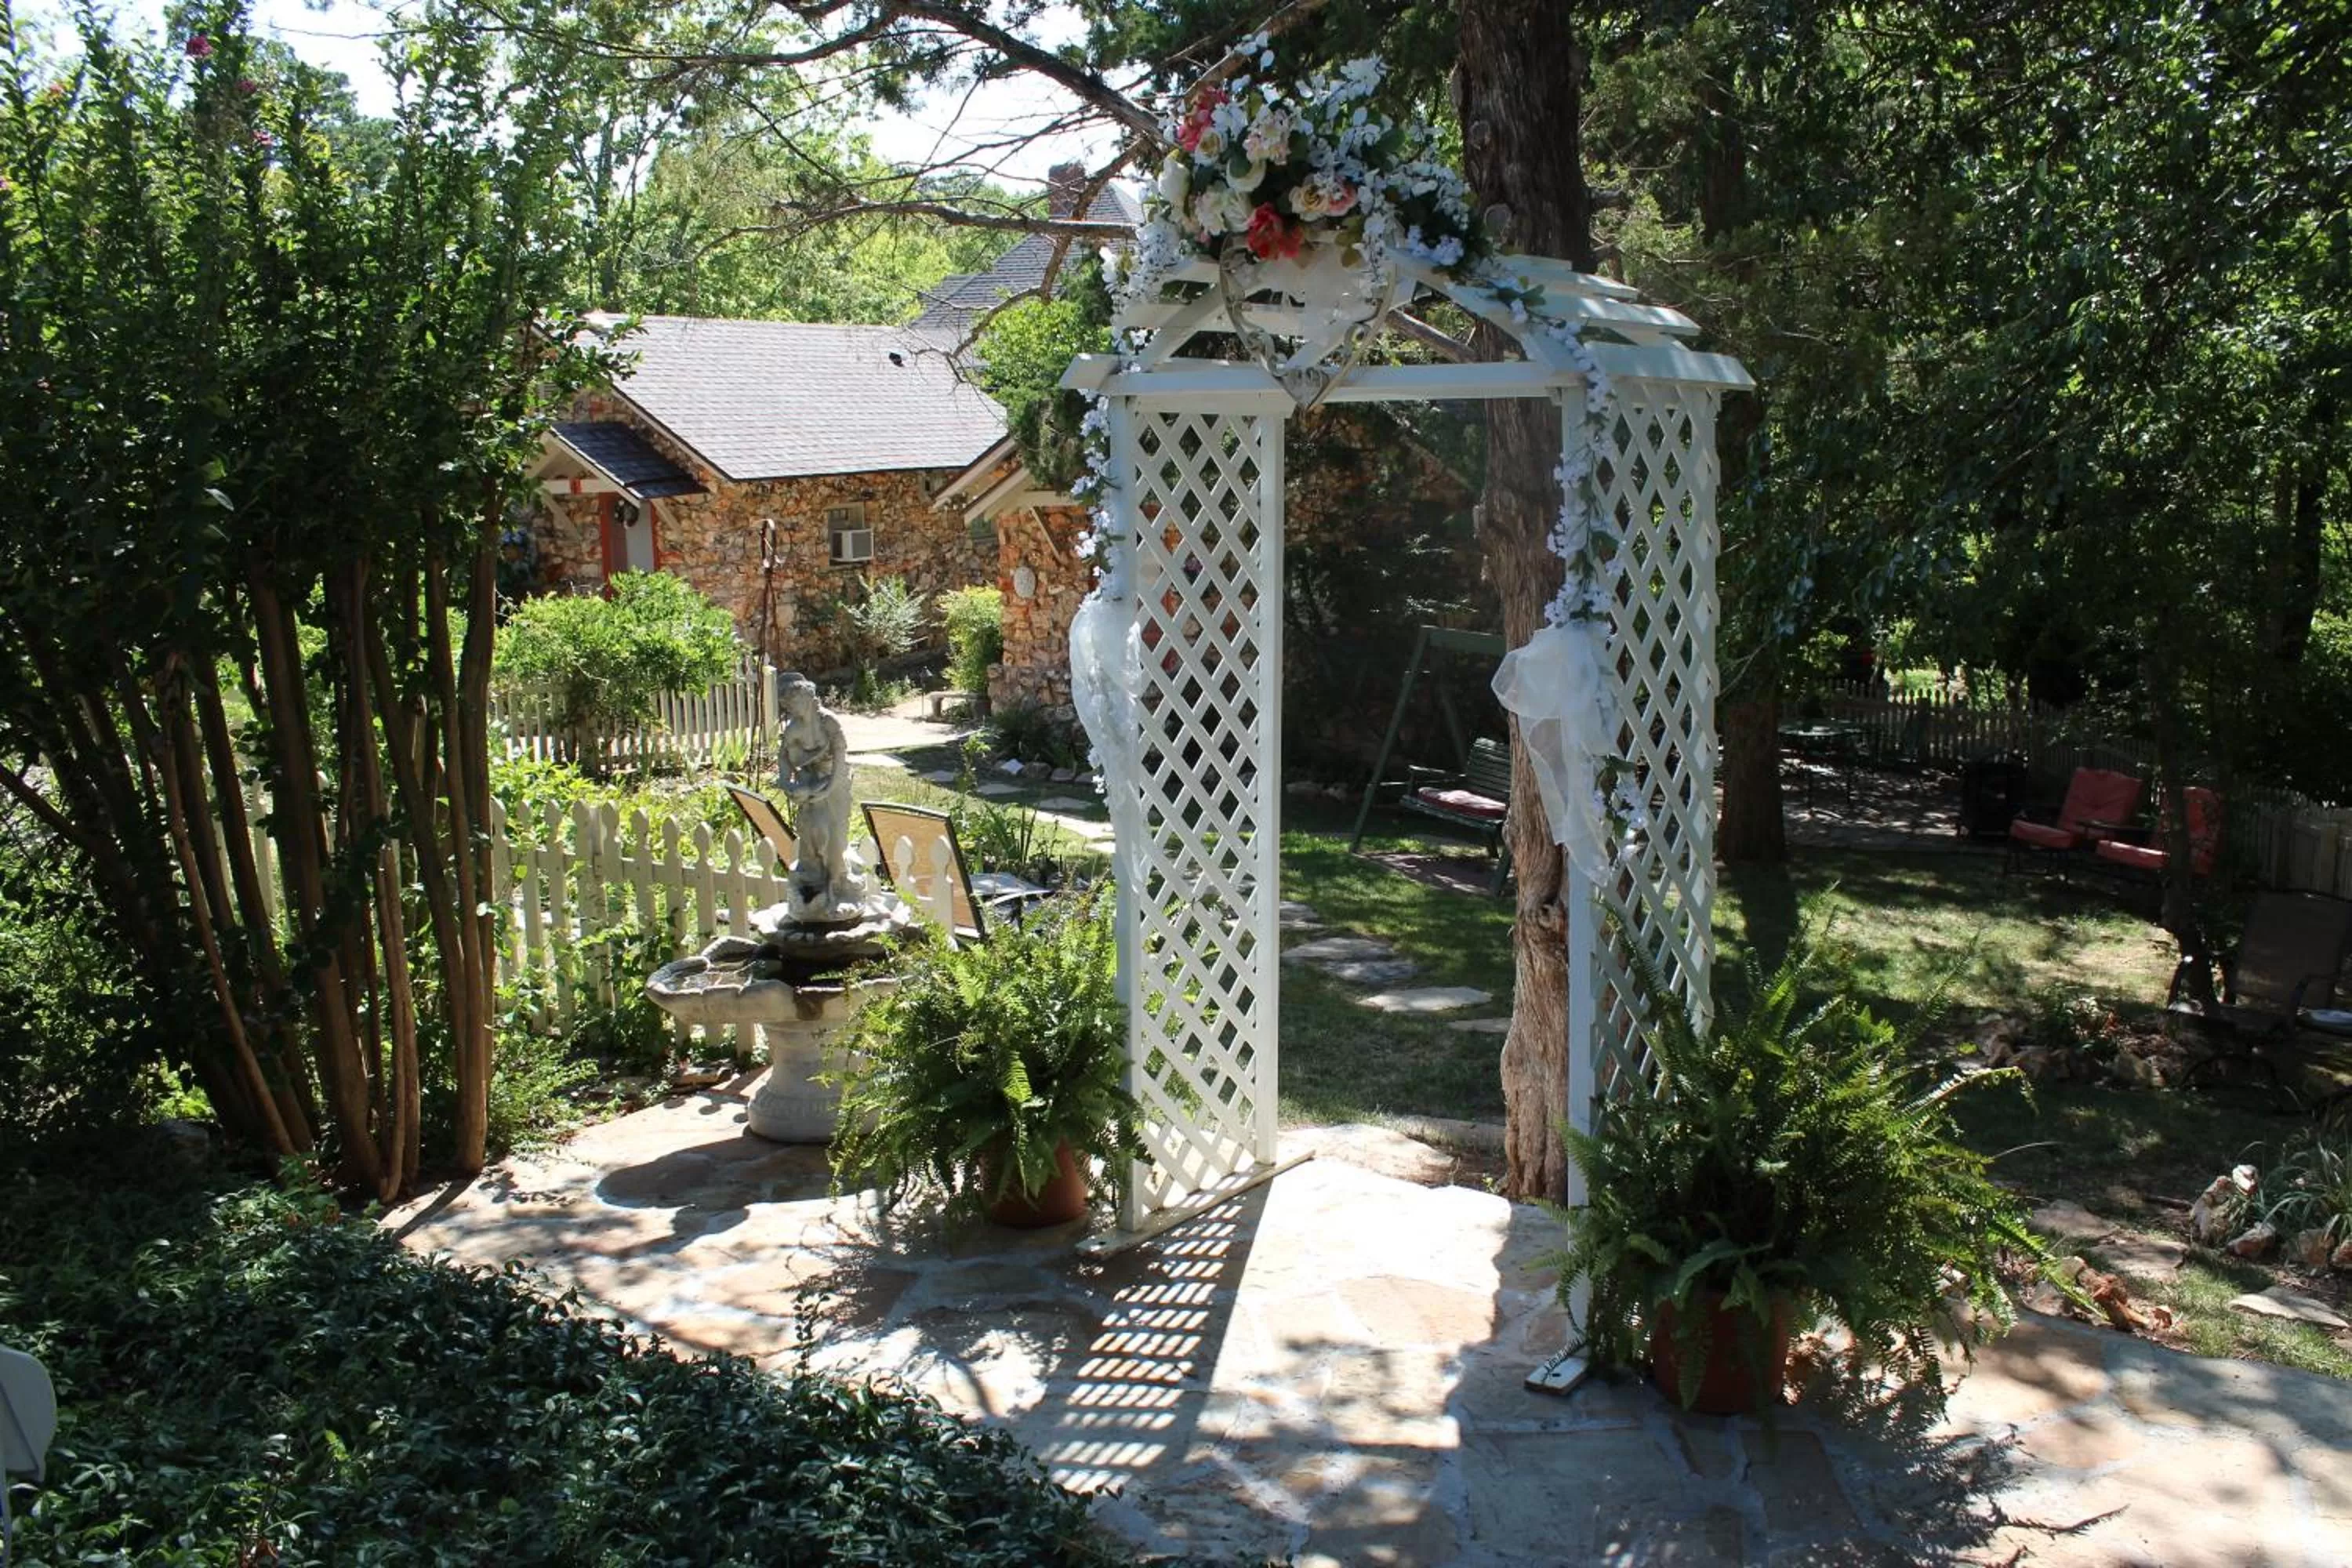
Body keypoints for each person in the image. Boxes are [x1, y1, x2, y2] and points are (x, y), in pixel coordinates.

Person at [773, 673, 863, 916]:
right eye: (787, 704)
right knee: (811, 831)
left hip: (835, 783)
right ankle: (812, 888)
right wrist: (788, 784)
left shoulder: (829, 723)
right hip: (810, 782)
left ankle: (839, 886)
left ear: (807, 699)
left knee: (834, 836)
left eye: (792, 702)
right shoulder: (794, 730)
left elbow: (840, 766)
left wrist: (820, 791)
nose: (789, 707)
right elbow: (785, 759)